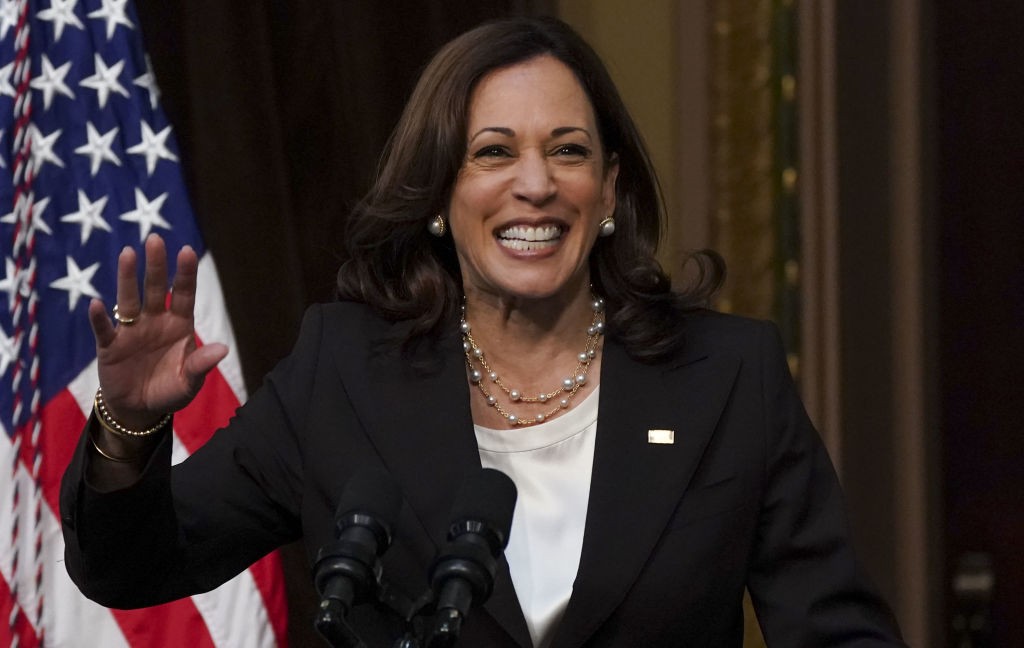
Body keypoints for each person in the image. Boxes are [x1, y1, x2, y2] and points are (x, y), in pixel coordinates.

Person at [61, 16, 904, 647]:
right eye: (493, 152)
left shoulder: (727, 377)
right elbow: (135, 568)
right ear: (437, 194)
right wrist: (130, 426)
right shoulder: (341, 373)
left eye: (568, 152)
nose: (535, 184)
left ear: (608, 193)